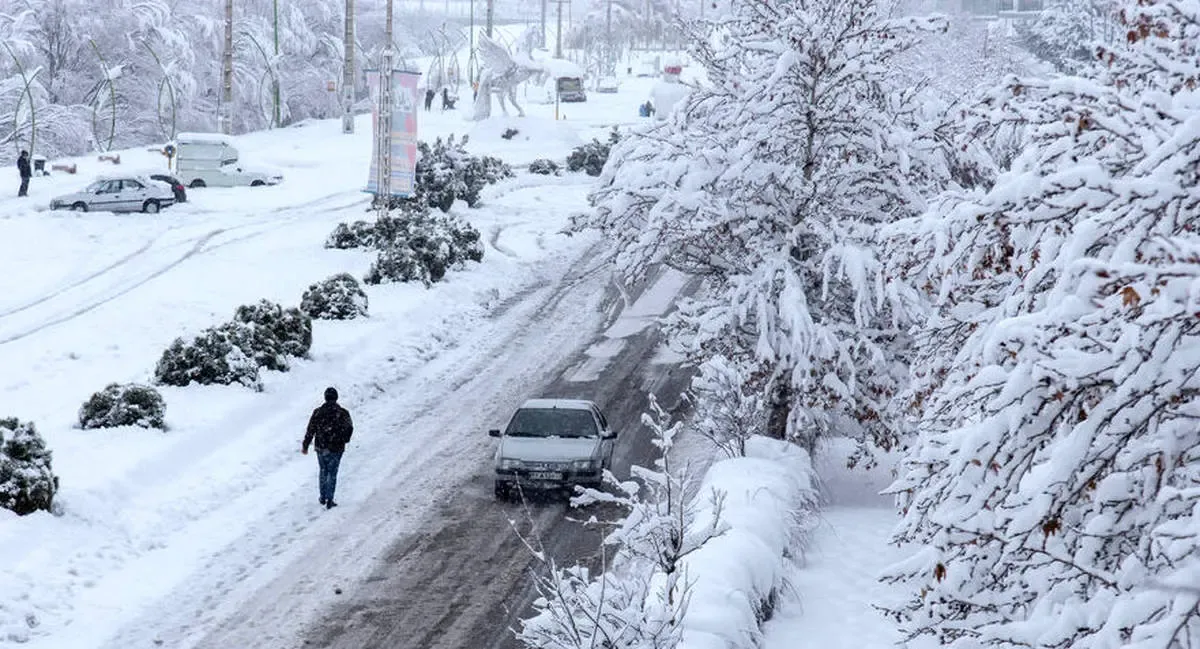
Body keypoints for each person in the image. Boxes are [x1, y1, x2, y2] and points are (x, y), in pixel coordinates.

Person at [302, 387, 354, 509]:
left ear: (325, 397)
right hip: (336, 447)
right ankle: (330, 499)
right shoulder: (343, 413)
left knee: (323, 470)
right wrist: (344, 439)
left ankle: (322, 496)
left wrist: (305, 445)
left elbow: (310, 430)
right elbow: (350, 428)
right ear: (336, 398)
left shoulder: (318, 412)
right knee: (332, 472)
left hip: (321, 446)